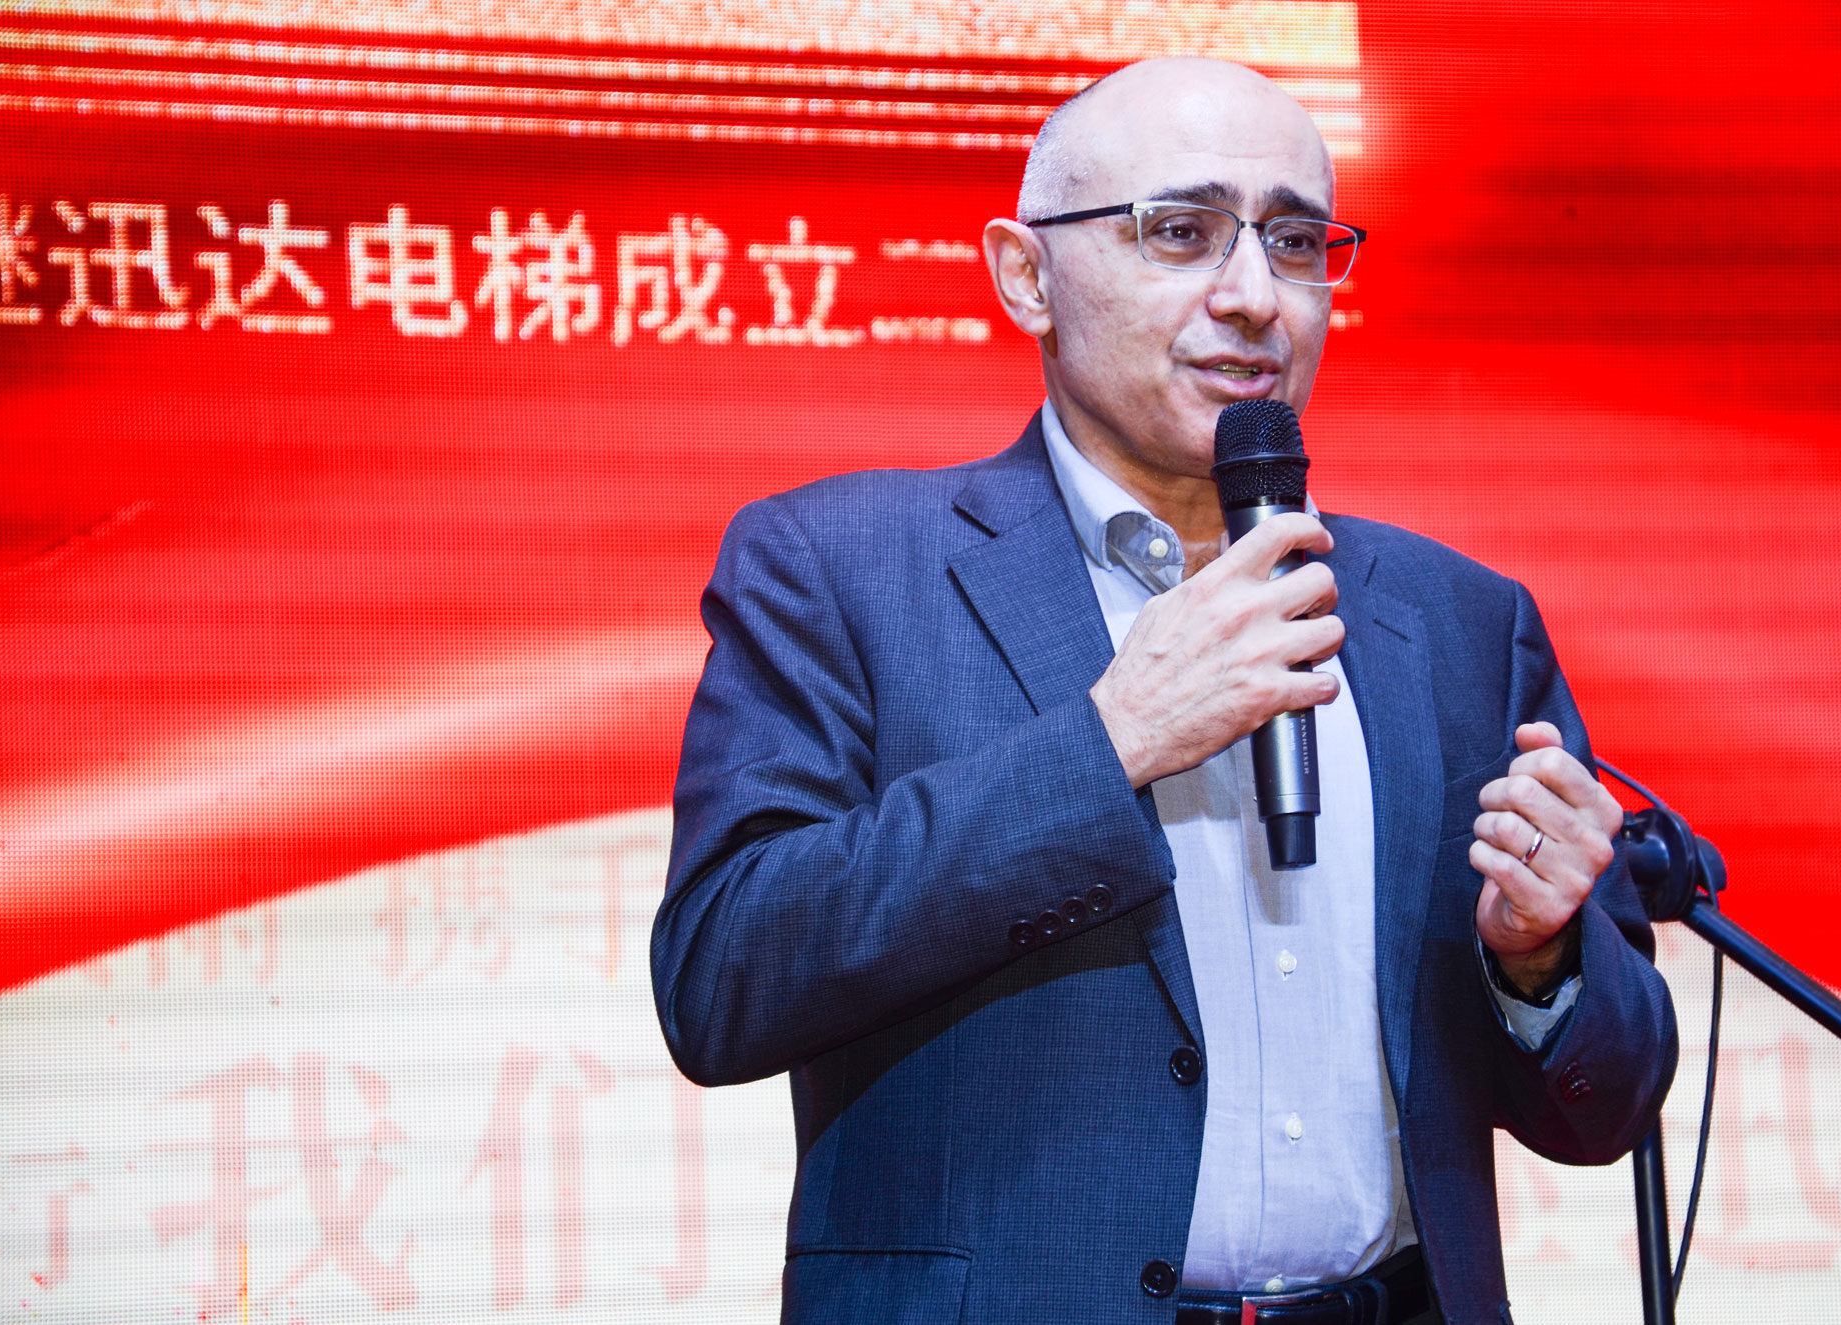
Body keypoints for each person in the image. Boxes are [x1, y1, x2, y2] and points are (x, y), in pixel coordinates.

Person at [652, 57, 1676, 1325]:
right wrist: (1109, 742)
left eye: (1293, 242)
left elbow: (1607, 1106)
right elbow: (722, 979)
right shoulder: (838, 568)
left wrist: (1541, 958)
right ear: (1025, 275)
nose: (1252, 296)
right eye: (1180, 232)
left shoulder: (1454, 619)